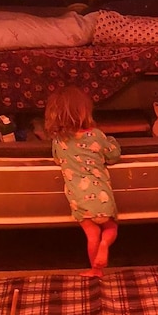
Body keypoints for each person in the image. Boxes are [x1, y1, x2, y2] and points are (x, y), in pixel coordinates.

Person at [45, 85, 121, 278]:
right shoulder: (96, 135)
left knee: (91, 234)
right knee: (110, 227)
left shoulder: (58, 141)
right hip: (101, 196)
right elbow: (113, 156)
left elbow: (57, 159)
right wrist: (112, 141)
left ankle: (96, 270)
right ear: (85, 110)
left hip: (78, 199)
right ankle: (105, 245)